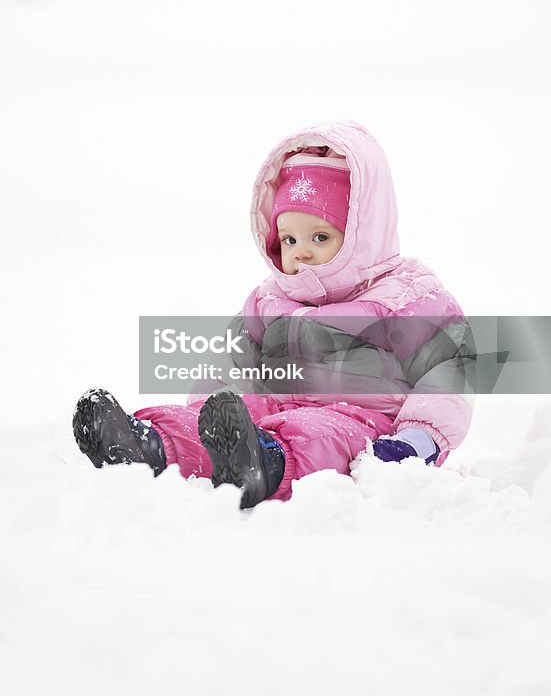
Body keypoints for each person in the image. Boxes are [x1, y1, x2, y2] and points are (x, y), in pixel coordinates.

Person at [73, 120, 476, 510]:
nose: (300, 251)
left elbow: (448, 372)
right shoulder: (270, 299)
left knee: (319, 434)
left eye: (320, 236)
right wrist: (210, 406)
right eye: (289, 238)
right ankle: (150, 443)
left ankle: (264, 464)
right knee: (238, 414)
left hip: (368, 427)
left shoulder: (406, 296)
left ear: (362, 232)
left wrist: (416, 442)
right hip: (272, 413)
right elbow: (229, 361)